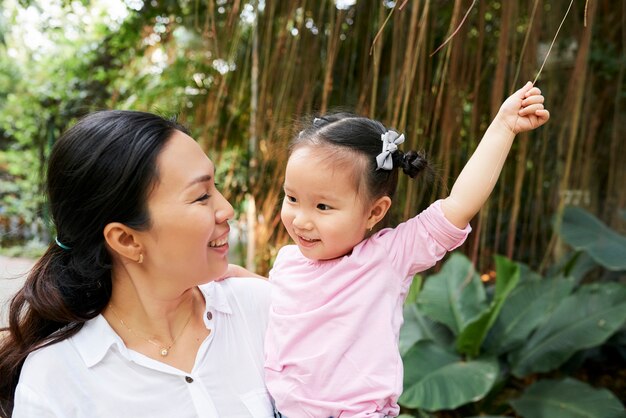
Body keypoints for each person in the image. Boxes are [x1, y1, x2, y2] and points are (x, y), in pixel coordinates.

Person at [264, 82, 550, 417]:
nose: (301, 220)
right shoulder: (286, 262)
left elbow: (458, 206)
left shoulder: (385, 259)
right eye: (292, 198)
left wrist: (503, 126)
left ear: (375, 212)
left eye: (323, 207)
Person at [0, 111, 274, 418]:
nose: (226, 209)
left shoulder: (264, 310)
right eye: (201, 196)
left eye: (216, 186)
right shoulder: (56, 379)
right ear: (126, 240)